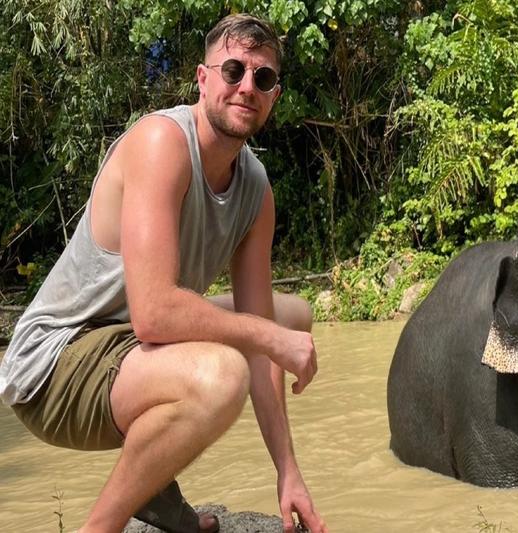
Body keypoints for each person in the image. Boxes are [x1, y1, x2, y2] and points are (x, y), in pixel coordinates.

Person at [0, 13, 328, 533]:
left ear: (275, 96)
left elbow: (265, 333)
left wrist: (289, 473)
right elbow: (154, 315)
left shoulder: (255, 189)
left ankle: (154, 494)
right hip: (55, 364)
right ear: (203, 78)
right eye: (233, 70)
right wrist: (268, 337)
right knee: (224, 373)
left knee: (293, 315)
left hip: (129, 349)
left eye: (262, 78)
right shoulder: (162, 143)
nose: (246, 87)